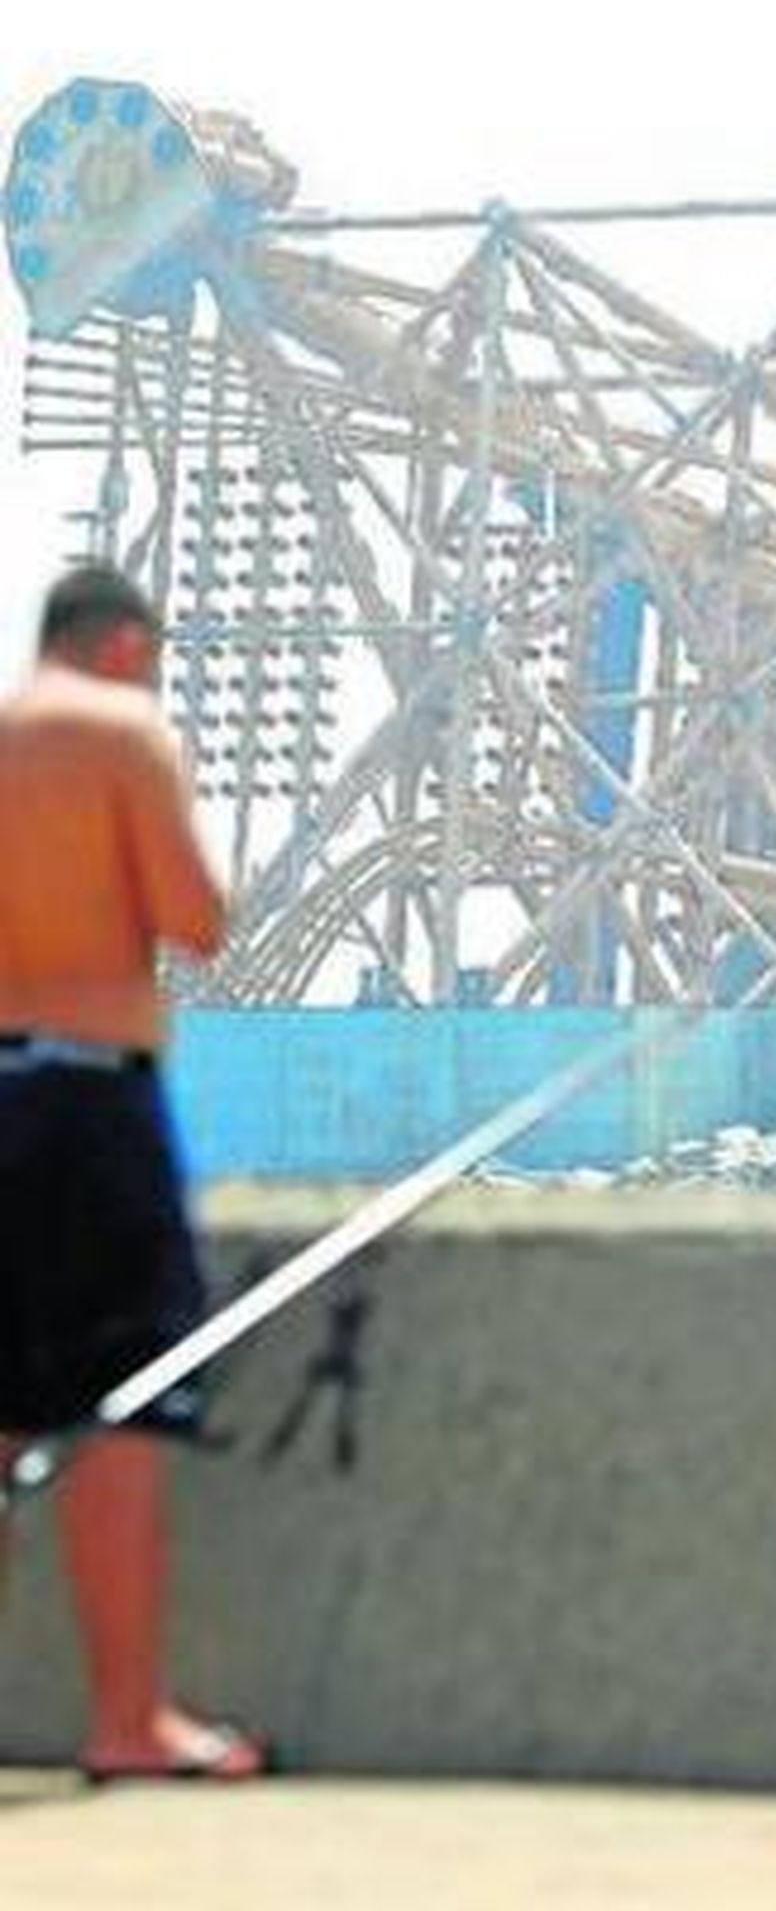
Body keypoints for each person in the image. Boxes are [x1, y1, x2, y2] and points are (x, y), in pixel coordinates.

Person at [0, 564, 269, 1781]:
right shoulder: (119, 729)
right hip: (85, 1095)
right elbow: (194, 917)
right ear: (123, 646)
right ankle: (127, 1719)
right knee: (116, 1404)